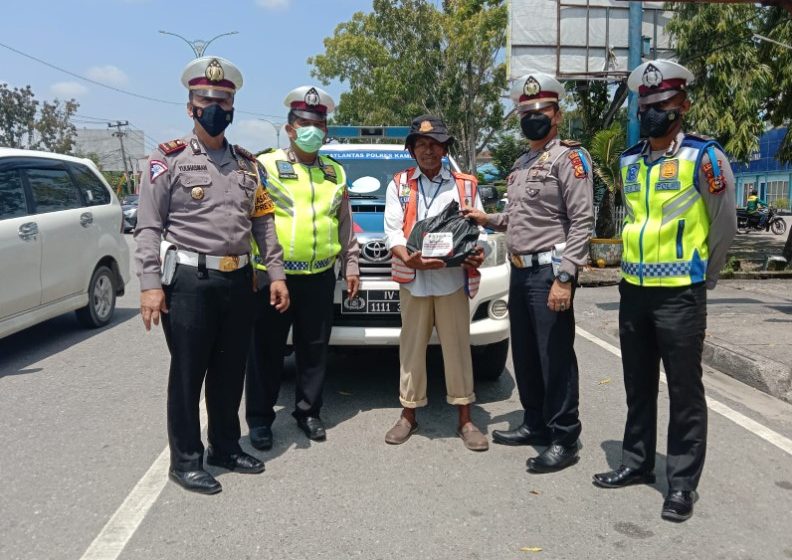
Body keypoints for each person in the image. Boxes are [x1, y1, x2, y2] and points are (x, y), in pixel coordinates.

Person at [135, 56, 290, 495]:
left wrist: (274, 273)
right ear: (191, 107)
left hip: (240, 280)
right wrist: (149, 285)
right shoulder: (168, 160)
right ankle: (185, 460)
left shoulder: (247, 164)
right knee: (188, 373)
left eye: (224, 99)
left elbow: (263, 223)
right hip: (189, 282)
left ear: (233, 106)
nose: (216, 106)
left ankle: (225, 445)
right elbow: (148, 225)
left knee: (230, 370)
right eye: (207, 99)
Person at [591, 60, 737, 522]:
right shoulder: (630, 159)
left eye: (663, 105)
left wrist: (705, 276)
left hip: (681, 294)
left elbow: (724, 225)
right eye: (646, 105)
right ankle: (635, 462)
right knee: (637, 384)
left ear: (683, 106)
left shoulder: (704, 156)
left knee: (684, 391)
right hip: (633, 290)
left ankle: (681, 485)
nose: (653, 112)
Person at [463, 73, 593, 471]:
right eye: (526, 112)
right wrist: (488, 217)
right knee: (526, 355)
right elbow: (521, 217)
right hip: (519, 271)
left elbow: (583, 221)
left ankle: (564, 436)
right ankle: (534, 422)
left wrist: (566, 277)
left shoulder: (570, 158)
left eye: (541, 111)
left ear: (557, 114)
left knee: (554, 357)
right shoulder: (522, 163)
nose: (533, 118)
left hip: (549, 273)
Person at [245, 85, 360, 448]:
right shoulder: (264, 166)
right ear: (290, 128)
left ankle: (308, 412)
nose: (313, 130)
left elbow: (344, 223)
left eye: (319, 124)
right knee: (266, 351)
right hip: (272, 276)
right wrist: (251, 268)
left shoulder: (335, 173)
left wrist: (352, 264)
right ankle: (261, 420)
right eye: (305, 123)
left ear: (326, 131)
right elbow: (249, 219)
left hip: (319, 276)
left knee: (314, 349)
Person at [382, 115, 488, 452]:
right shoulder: (399, 184)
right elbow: (392, 231)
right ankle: (408, 415)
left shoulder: (465, 184)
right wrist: (406, 255)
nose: (428, 150)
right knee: (411, 349)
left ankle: (465, 418)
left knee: (458, 348)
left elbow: (479, 229)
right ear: (411, 149)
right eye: (421, 144)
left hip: (451, 280)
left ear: (444, 149)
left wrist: (475, 252)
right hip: (414, 280)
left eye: (435, 144)